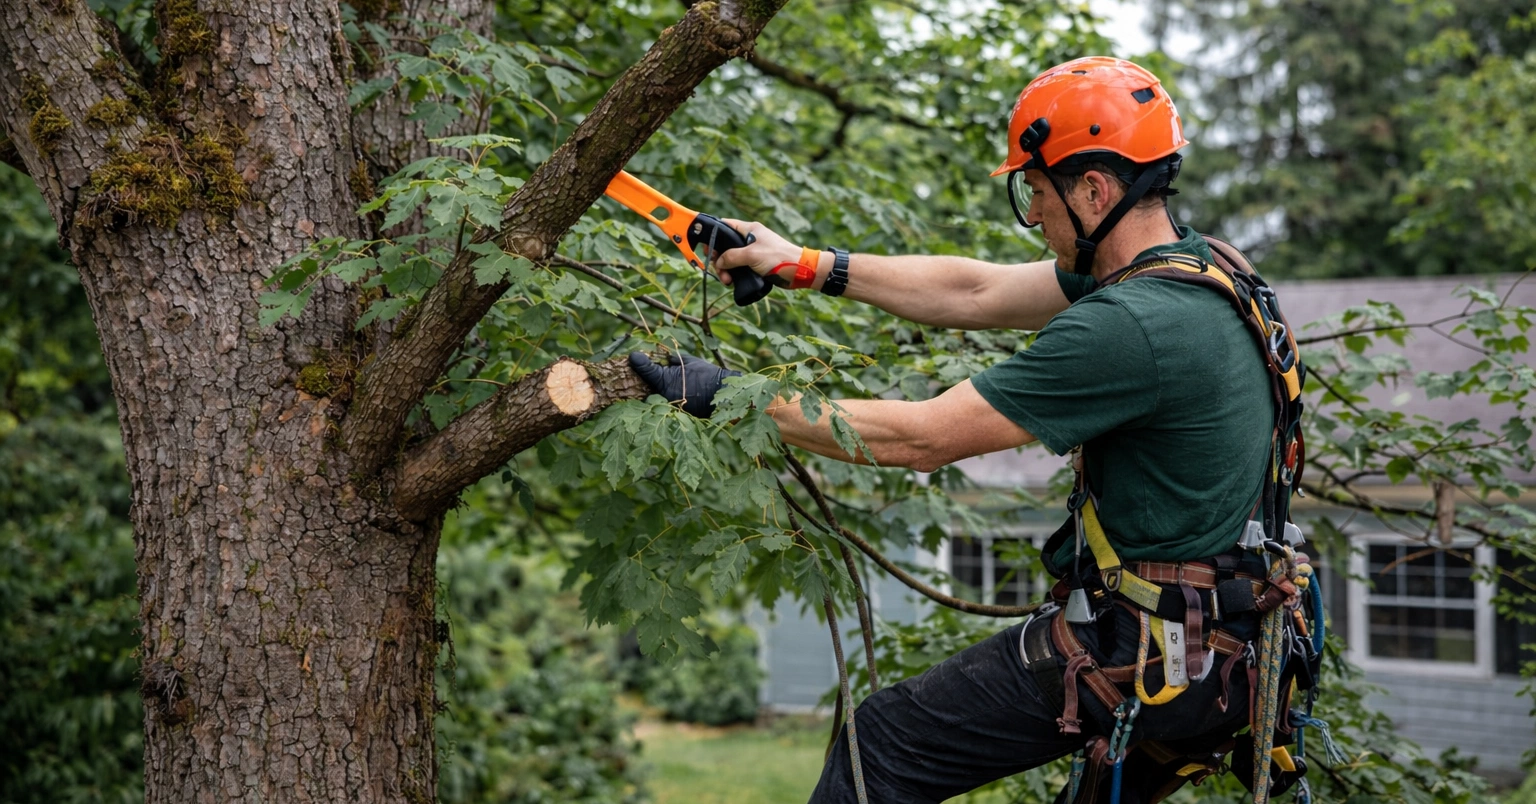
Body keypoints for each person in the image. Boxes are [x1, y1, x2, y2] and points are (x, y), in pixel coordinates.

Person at [629, 57, 1310, 804]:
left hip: (1152, 649)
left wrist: (733, 395)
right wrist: (803, 263)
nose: (1035, 214)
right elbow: (977, 289)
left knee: (881, 744)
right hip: (1219, 646)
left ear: (1095, 190)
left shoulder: (1132, 327)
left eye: (1037, 192)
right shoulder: (1204, 270)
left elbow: (921, 438)